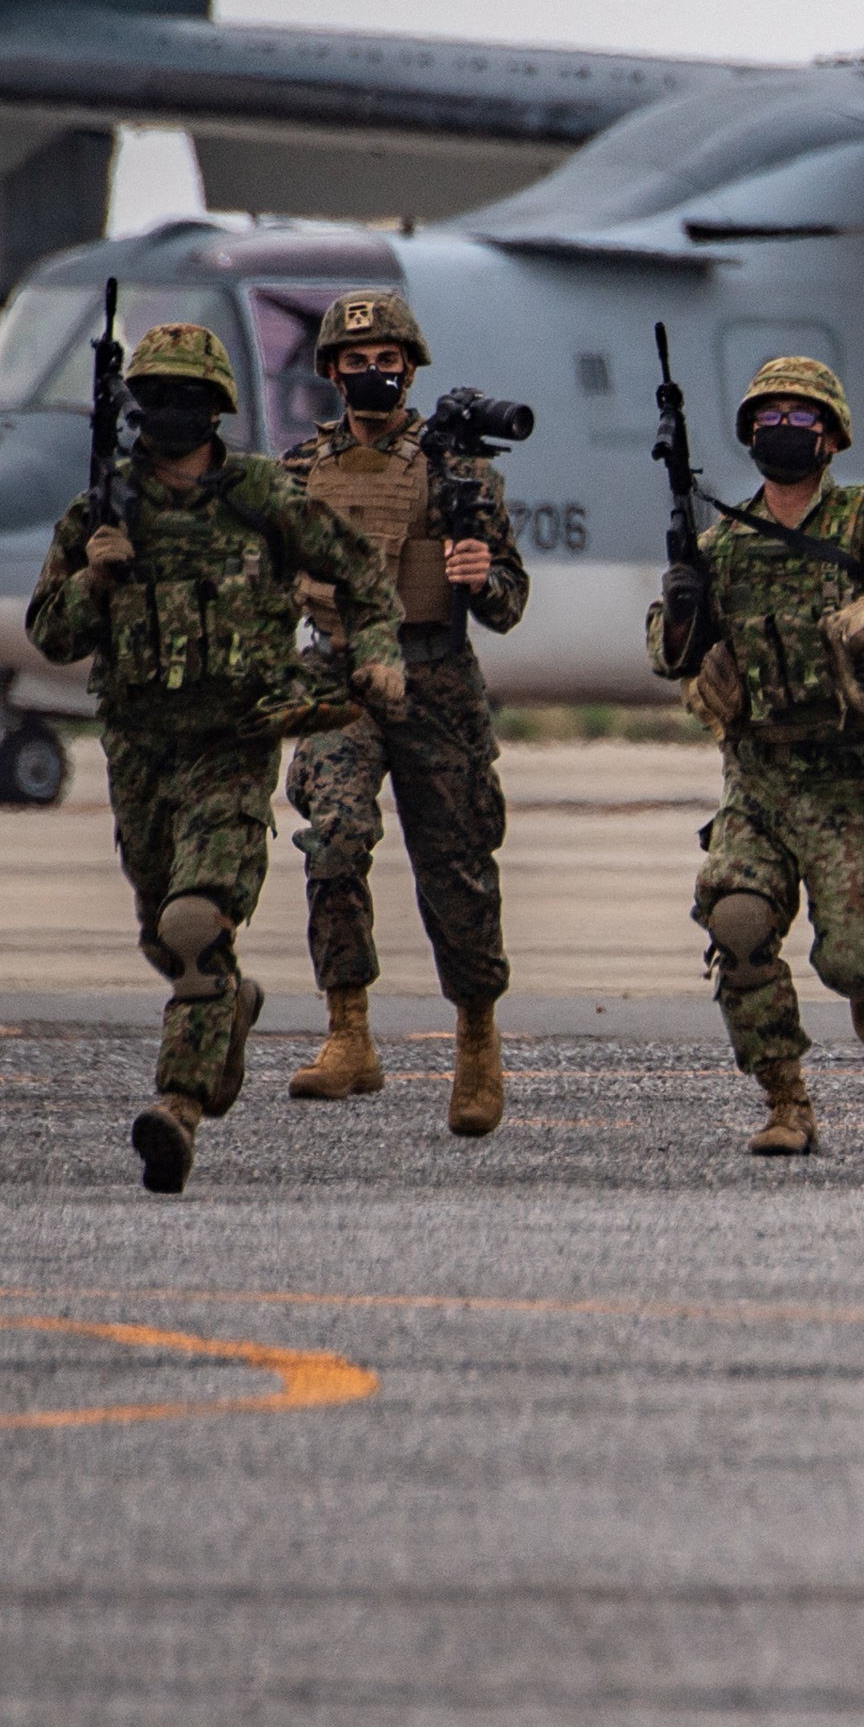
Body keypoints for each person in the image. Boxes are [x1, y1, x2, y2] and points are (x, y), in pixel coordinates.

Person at [25, 322, 403, 1194]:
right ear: (134, 408)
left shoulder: (262, 497)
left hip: (231, 747)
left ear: (218, 409)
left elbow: (361, 575)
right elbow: (49, 634)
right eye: (156, 397)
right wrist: (95, 579)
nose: (173, 413)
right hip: (140, 752)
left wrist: (376, 651)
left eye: (189, 399)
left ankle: (178, 1110)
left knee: (197, 926)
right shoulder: (101, 511)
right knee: (167, 931)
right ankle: (225, 1007)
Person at [648, 355, 864, 1156]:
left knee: (853, 965)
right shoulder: (721, 545)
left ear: (831, 438)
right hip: (759, 778)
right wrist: (681, 615)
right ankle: (785, 1099)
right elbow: (669, 659)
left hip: (852, 780)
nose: (782, 432)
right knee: (734, 921)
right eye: (768, 418)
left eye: (800, 419)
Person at [272, 287, 528, 1132]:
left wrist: (477, 576)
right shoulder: (301, 473)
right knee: (334, 838)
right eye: (357, 363)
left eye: (388, 362)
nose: (373, 375)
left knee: (456, 865)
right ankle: (349, 1033)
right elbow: (261, 577)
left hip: (435, 675)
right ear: (332, 373)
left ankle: (477, 1046)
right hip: (341, 674)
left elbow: (509, 599)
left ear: (410, 370)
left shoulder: (461, 473)